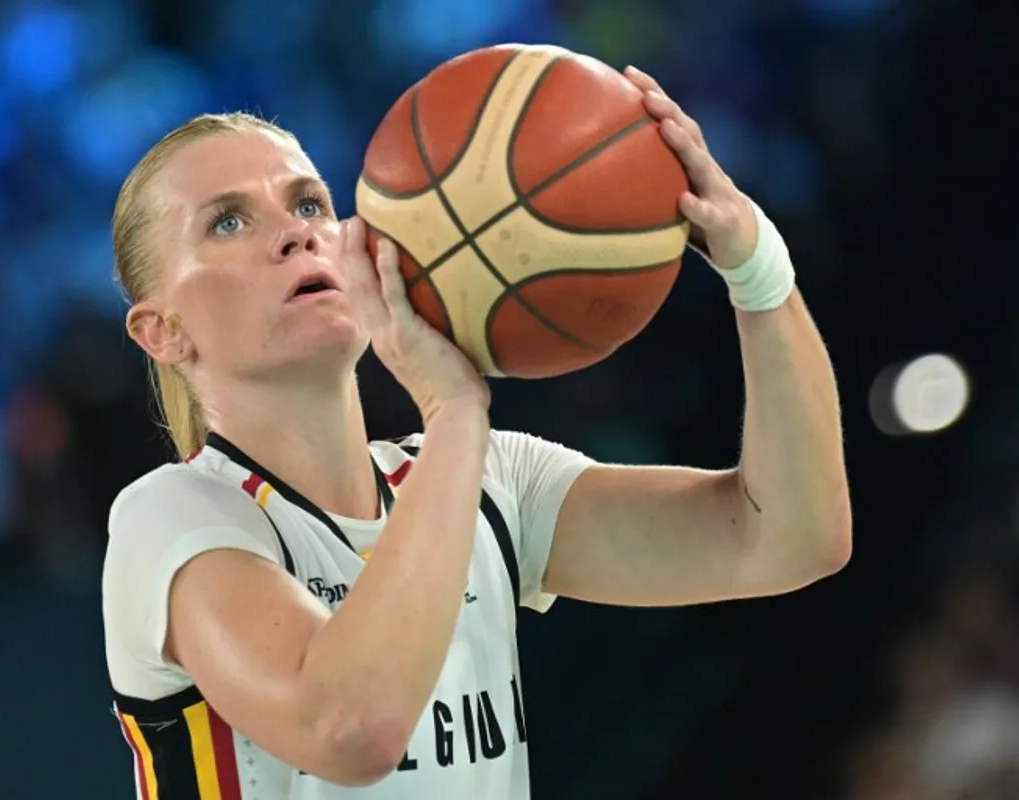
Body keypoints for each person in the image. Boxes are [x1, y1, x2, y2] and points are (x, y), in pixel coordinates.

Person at [102, 64, 852, 800]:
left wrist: (757, 269)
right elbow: (349, 729)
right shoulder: (173, 517)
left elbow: (786, 537)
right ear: (162, 331)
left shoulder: (487, 480)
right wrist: (455, 411)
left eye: (308, 205)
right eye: (228, 222)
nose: (296, 236)